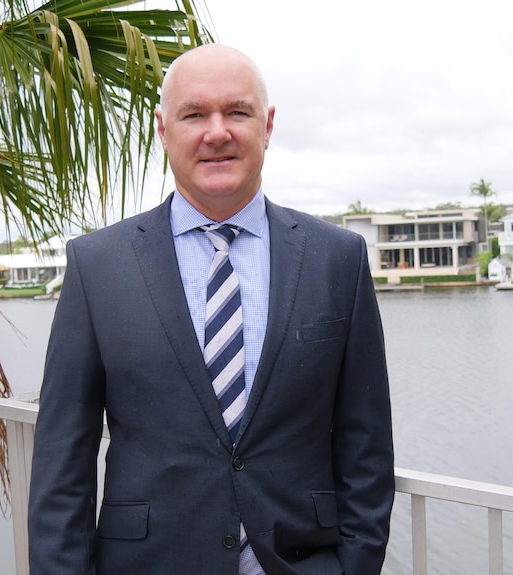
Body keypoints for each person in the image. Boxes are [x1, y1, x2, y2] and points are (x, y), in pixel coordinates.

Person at [27, 43, 395, 575]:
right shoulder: (97, 265)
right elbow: (64, 458)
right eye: (195, 113)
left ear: (266, 126)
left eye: (237, 112)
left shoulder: (336, 259)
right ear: (163, 129)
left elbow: (367, 446)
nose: (217, 132)